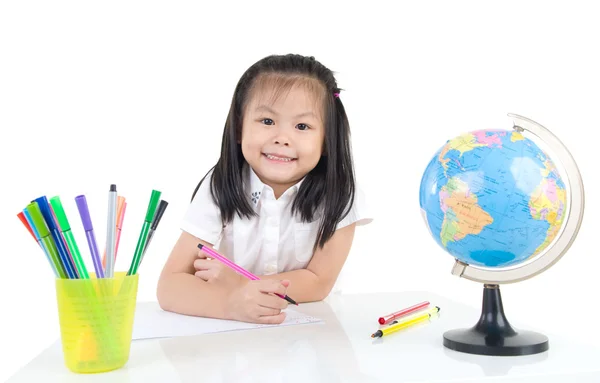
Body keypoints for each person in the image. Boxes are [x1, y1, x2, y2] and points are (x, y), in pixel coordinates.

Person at [157, 53, 372, 325]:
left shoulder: (341, 195)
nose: (282, 138)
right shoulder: (221, 184)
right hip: (233, 335)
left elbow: (318, 283)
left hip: (313, 333)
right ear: (238, 128)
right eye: (267, 121)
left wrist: (239, 283)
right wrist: (231, 304)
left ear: (327, 140)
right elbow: (169, 287)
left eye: (302, 126)